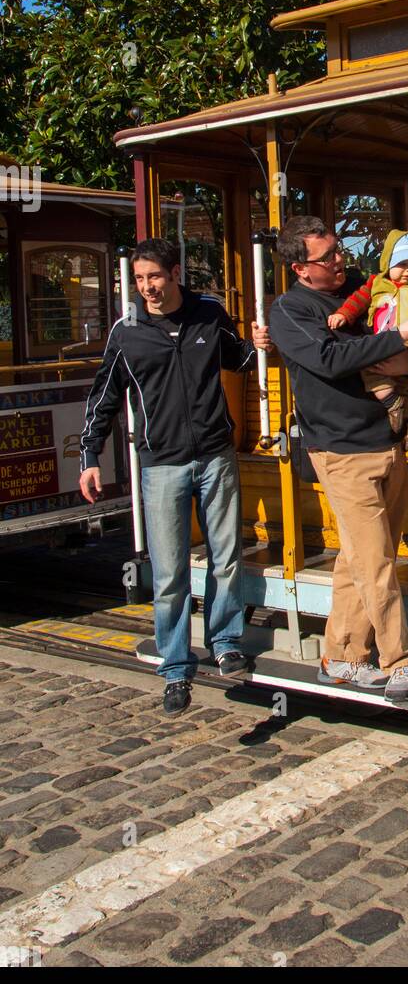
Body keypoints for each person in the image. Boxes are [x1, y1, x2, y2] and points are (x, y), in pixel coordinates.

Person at [79, 238, 271, 716]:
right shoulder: (127, 332)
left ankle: (225, 642)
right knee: (170, 573)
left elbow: (239, 359)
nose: (147, 288)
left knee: (226, 557)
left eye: (155, 278)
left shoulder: (207, 313)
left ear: (175, 273)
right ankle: (175, 668)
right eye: (140, 281)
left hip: (214, 455)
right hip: (161, 464)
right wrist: (89, 455)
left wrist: (262, 344)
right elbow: (103, 396)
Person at [269, 216, 408, 704]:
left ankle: (342, 657)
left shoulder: (369, 290)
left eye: (338, 250)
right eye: (326, 257)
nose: (339, 259)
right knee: (378, 563)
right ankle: (399, 661)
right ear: (301, 268)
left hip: (388, 441)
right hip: (342, 452)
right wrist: (389, 343)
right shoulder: (289, 311)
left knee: (358, 559)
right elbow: (329, 359)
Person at [328, 229, 408, 447]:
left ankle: (390, 400)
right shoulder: (376, 283)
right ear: (388, 263)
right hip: (385, 339)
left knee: (369, 368)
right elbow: (358, 301)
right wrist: (343, 314)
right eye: (402, 264)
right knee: (398, 379)